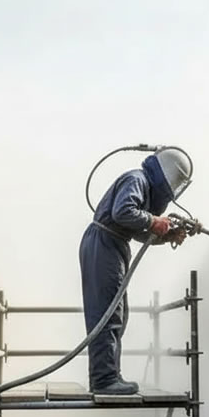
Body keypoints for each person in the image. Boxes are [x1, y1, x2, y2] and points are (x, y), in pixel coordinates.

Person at [79, 149, 191, 395]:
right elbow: (123, 212)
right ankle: (104, 380)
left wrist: (166, 234)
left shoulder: (143, 185)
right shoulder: (137, 179)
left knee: (117, 314)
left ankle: (110, 375)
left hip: (112, 243)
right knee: (107, 314)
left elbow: (135, 228)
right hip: (104, 244)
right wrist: (154, 221)